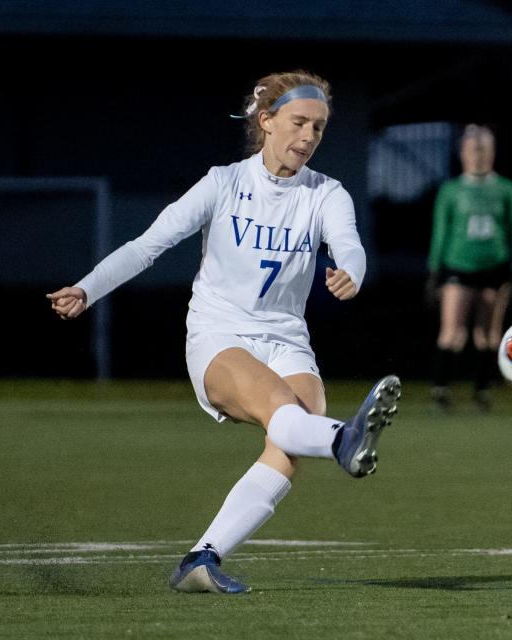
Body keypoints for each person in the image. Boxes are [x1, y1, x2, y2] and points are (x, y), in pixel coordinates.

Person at [46, 70, 401, 595]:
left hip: (286, 339)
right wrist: (88, 287)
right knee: (288, 414)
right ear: (267, 121)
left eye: (319, 128)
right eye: (299, 122)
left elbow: (349, 244)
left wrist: (352, 271)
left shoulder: (327, 193)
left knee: (291, 436)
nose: (308, 137)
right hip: (220, 333)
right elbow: (150, 245)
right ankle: (346, 441)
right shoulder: (224, 183)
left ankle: (202, 558)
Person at [426, 124, 512, 411]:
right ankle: (441, 388)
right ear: (462, 153)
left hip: (495, 266)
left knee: (488, 333)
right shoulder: (451, 190)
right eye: (472, 150)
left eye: (484, 150)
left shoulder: (506, 189)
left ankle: (482, 390)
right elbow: (440, 231)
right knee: (453, 332)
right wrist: (434, 270)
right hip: (459, 264)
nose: (478, 156)